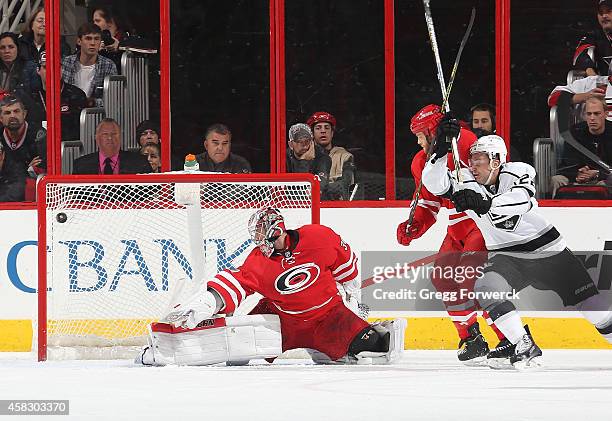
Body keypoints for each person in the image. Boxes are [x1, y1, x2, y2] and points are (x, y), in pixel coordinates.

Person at [422, 132, 612, 368]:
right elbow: (433, 183)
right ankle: (524, 343)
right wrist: (439, 153)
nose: (472, 164)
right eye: (471, 159)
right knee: (486, 288)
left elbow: (523, 200)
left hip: (546, 250)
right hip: (506, 254)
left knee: (595, 312)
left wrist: (486, 203)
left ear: (496, 160)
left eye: (478, 158)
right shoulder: (465, 179)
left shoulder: (519, 170)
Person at [138, 208, 406, 366]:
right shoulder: (258, 261)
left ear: (278, 231)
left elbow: (346, 266)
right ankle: (167, 351)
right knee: (234, 348)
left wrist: (355, 299)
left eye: (263, 238)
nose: (259, 245)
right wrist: (205, 303)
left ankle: (350, 341)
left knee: (375, 349)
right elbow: (234, 284)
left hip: (329, 316)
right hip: (282, 319)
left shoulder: (319, 237)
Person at [398, 104, 506, 365]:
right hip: (456, 227)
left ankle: (509, 339)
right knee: (443, 278)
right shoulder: (420, 161)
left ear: (432, 131)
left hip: (478, 224)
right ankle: (471, 337)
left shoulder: (467, 142)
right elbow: (428, 202)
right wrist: (415, 225)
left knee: (473, 282)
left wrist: (453, 139)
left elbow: (496, 174)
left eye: (420, 135)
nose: (417, 141)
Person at [550, 97, 612, 196]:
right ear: (584, 115)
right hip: (578, 176)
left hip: (603, 177)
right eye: (589, 114)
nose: (592, 118)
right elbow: (567, 162)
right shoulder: (575, 132)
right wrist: (577, 173)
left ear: (606, 114)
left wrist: (597, 173)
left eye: (597, 113)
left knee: (609, 182)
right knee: (556, 180)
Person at [31, 52, 87, 141]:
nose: (51, 71)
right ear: (38, 70)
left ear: (61, 69)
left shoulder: (76, 95)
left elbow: (82, 131)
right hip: (37, 149)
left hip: (69, 149)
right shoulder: (30, 96)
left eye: (56, 67)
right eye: (46, 67)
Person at [61, 23, 118, 107]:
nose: (93, 43)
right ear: (79, 41)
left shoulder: (108, 65)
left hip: (96, 115)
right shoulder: (66, 63)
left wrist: (91, 102)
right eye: (88, 38)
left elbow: (113, 99)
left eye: (96, 39)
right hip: (69, 112)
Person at [72, 118, 152, 174]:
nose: (110, 138)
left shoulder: (140, 162)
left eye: (114, 134)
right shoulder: (80, 165)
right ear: (96, 138)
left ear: (120, 136)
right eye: (105, 134)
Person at [307, 111, 356, 200]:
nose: (323, 131)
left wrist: (319, 189)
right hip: (310, 205)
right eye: (318, 128)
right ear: (312, 134)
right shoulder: (304, 156)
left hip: (337, 206)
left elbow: (345, 184)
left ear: (332, 133)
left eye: (327, 128)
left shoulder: (344, 156)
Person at [0, 95, 45, 176]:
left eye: (16, 111)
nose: (12, 116)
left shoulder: (39, 135)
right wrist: (27, 169)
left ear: (24, 114)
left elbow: (40, 170)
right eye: (7, 113)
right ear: (1, 118)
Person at [286, 123, 332, 199]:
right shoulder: (283, 158)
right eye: (300, 141)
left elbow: (315, 191)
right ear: (291, 144)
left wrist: (304, 161)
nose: (304, 145)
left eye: (307, 141)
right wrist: (303, 160)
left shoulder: (323, 158)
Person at [573, 1, 612, 76]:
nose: (604, 16)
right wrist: (589, 70)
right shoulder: (594, 35)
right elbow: (579, 53)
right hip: (604, 84)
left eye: (609, 11)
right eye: (600, 12)